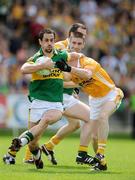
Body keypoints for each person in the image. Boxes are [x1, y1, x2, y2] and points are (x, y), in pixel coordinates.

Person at [3, 28, 90, 169]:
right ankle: (35, 157)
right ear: (40, 42)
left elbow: (74, 55)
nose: (49, 43)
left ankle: (20, 142)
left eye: (51, 40)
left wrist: (82, 60)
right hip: (38, 102)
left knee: (46, 120)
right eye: (46, 40)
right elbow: (24, 68)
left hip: (55, 104)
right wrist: (42, 65)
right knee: (33, 143)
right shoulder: (37, 58)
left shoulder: (60, 55)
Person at [24, 23, 96, 166]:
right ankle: (29, 154)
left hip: (64, 94)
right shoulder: (58, 48)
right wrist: (76, 84)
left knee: (74, 124)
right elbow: (57, 76)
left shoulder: (75, 48)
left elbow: (71, 75)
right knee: (42, 125)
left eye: (84, 35)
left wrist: (75, 88)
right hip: (55, 95)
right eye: (80, 34)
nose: (82, 37)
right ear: (70, 35)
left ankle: (47, 147)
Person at [55, 40, 124, 170]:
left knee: (103, 116)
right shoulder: (70, 72)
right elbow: (66, 80)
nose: (70, 54)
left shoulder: (88, 62)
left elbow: (87, 74)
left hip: (111, 94)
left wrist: (67, 68)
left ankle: (100, 154)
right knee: (94, 137)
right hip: (95, 100)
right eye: (67, 54)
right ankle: (101, 164)